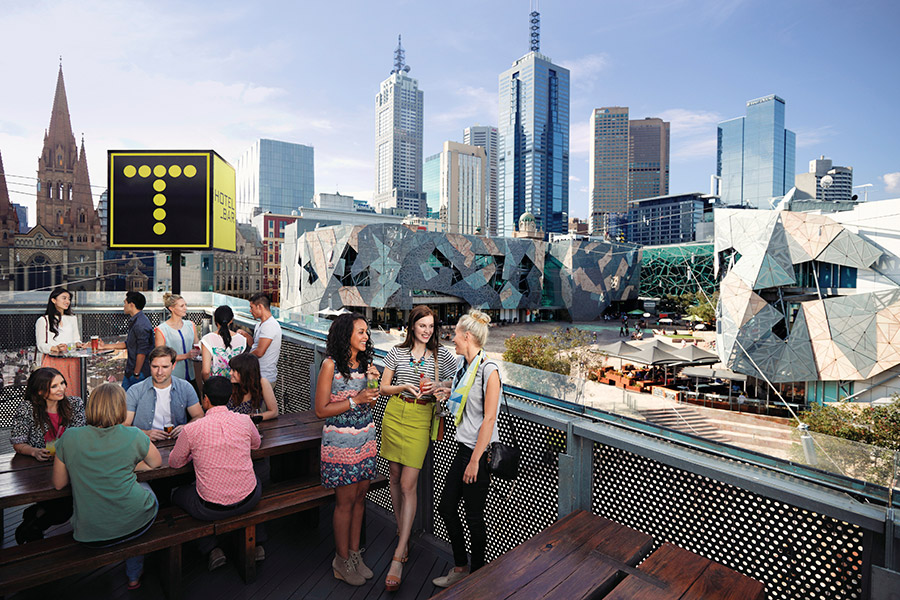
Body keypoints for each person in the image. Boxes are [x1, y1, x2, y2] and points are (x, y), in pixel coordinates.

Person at [52, 383, 161, 590]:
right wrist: (127, 464)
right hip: (137, 523)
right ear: (120, 407)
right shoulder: (134, 434)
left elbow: (59, 484)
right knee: (143, 492)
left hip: (90, 533)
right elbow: (155, 463)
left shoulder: (70, 437)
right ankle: (134, 576)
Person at [379, 306, 456, 591]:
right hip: (395, 414)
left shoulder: (441, 355)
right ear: (412, 327)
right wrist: (403, 388)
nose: (427, 331)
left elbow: (456, 381)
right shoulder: (397, 353)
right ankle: (403, 533)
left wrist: (439, 384)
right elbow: (382, 387)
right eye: (422, 326)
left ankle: (399, 554)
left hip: (421, 418)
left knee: (409, 484)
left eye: (431, 326)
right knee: (395, 479)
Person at [432, 309, 501, 589]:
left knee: (474, 517)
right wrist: (445, 390)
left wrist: (475, 461)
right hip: (463, 451)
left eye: (456, 335)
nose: (453, 340)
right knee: (446, 507)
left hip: (478, 455)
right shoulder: (464, 367)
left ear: (468, 336)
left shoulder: (488, 370)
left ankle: (478, 575)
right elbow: (464, 395)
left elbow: (489, 418)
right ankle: (462, 567)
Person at [169, 377, 263, 571]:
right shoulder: (244, 420)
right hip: (249, 499)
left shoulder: (192, 429)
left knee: (175, 493)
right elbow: (256, 444)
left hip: (210, 509)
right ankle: (257, 540)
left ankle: (210, 547)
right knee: (257, 480)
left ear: (205, 400)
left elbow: (174, 463)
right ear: (230, 397)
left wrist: (194, 454)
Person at [315, 313, 379, 587]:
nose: (366, 336)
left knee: (360, 498)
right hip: (341, 442)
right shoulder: (330, 365)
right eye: (361, 332)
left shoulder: (366, 364)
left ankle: (354, 555)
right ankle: (340, 561)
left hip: (364, 438)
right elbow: (320, 410)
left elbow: (370, 403)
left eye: (366, 332)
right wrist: (355, 400)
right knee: (344, 502)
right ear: (346, 336)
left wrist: (373, 383)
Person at [10, 367, 85, 543]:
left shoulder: (75, 404)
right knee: (62, 507)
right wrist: (34, 451)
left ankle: (34, 520)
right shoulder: (28, 408)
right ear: (41, 391)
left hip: (69, 464)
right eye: (55, 386)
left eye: (62, 383)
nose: (62, 389)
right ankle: (34, 521)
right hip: (39, 468)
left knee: (65, 506)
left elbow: (80, 435)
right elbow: (18, 443)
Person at [124, 346, 203, 441]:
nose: (159, 372)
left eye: (165, 367)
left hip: (177, 442)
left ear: (173, 366)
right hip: (144, 443)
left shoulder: (185, 387)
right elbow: (125, 425)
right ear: (149, 365)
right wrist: (145, 434)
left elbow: (199, 416)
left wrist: (186, 428)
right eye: (155, 367)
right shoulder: (135, 390)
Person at [97, 291, 154, 390]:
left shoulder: (141, 324)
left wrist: (136, 372)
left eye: (125, 303)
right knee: (124, 400)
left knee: (130, 402)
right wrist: (104, 346)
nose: (123, 306)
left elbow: (142, 352)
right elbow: (129, 344)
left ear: (131, 305)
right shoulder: (137, 321)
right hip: (131, 371)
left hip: (139, 373)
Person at [35, 287, 84, 398]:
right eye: (64, 298)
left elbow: (76, 339)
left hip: (72, 361)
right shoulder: (43, 320)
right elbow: (41, 345)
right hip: (53, 361)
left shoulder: (72, 318)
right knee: (53, 394)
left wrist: (79, 344)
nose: (67, 301)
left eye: (69, 299)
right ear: (53, 300)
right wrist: (56, 348)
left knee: (72, 393)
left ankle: (71, 415)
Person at [154, 293, 200, 383]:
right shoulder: (161, 330)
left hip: (191, 376)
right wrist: (186, 356)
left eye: (185, 305)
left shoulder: (191, 325)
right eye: (182, 306)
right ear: (172, 308)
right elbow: (160, 356)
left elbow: (197, 345)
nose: (185, 308)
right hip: (172, 378)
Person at [240, 293, 282, 387]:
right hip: (256, 376)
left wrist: (241, 359)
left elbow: (259, 352)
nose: (250, 311)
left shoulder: (270, 325)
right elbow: (255, 346)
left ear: (260, 307)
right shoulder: (259, 325)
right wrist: (246, 335)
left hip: (264, 378)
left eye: (252, 307)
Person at [200, 305, 247, 380]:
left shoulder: (207, 339)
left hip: (216, 386)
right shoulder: (242, 340)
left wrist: (208, 385)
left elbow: (206, 371)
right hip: (236, 386)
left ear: (215, 319)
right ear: (231, 320)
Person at [227, 353, 278, 420]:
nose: (230, 373)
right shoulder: (229, 385)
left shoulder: (261, 382)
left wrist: (248, 418)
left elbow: (274, 412)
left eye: (234, 370)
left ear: (245, 371)